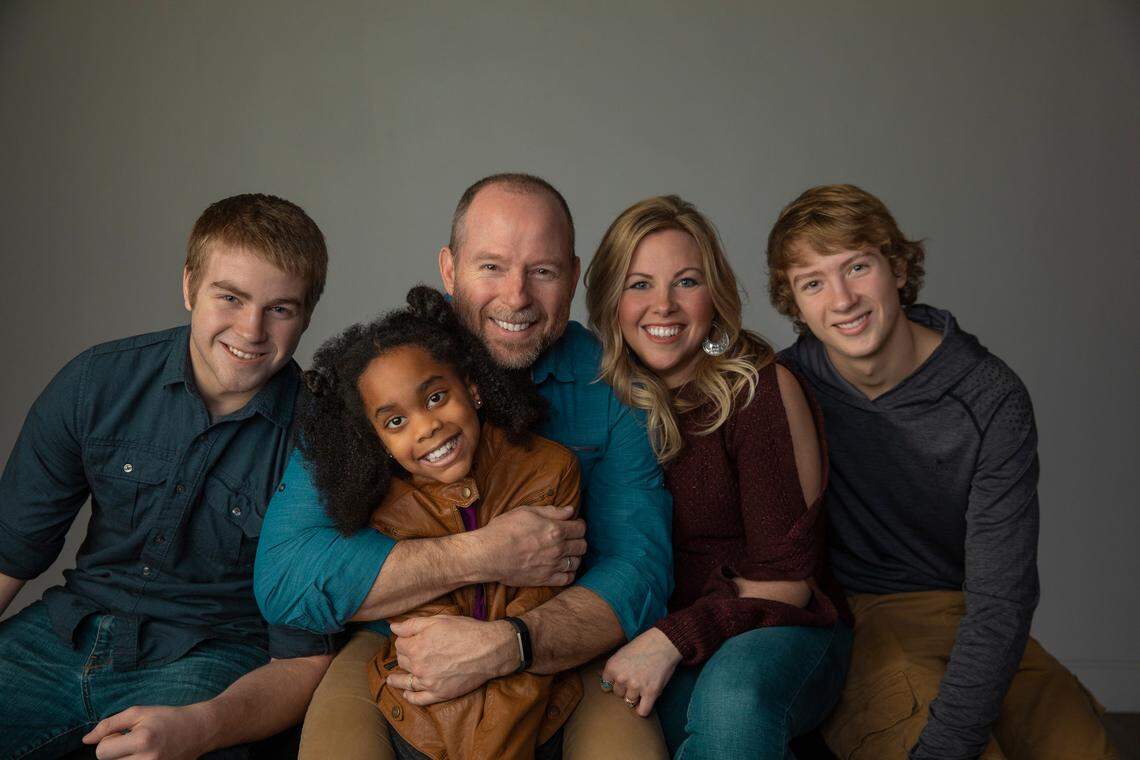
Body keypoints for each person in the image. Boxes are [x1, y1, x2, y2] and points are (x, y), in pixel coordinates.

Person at [254, 173, 674, 759]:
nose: (517, 297)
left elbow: (640, 570)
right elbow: (285, 577)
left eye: (543, 271)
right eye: (492, 267)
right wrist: (483, 555)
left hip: (564, 643)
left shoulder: (610, 383)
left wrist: (510, 644)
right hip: (399, 645)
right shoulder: (382, 376)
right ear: (449, 270)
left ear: (574, 277)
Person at [767, 183, 1119, 759]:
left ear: (899, 269)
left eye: (857, 266)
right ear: (796, 305)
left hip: (974, 609)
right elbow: (712, 361)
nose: (842, 299)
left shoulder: (989, 396)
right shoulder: (786, 387)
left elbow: (1002, 596)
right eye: (813, 283)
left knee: (1085, 748)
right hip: (860, 618)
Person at [0, 193, 339, 759]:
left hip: (212, 657)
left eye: (280, 308)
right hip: (62, 636)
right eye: (230, 297)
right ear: (189, 286)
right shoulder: (95, 384)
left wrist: (201, 728)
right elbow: (9, 553)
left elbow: (305, 660)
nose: (252, 330)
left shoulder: (322, 442)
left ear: (306, 315)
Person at [583, 195, 853, 758]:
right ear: (610, 300)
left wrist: (671, 638)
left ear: (715, 296)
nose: (664, 306)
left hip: (778, 631)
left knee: (731, 701)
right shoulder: (601, 402)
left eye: (686, 281)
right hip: (664, 645)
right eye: (639, 284)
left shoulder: (756, 390)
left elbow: (788, 579)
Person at [296, 285, 582, 760]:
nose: (425, 427)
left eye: (434, 397)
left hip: (532, 710)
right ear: (376, 440)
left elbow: (530, 630)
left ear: (471, 387)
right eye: (394, 422)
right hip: (422, 720)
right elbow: (430, 655)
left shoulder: (549, 471)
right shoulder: (385, 511)